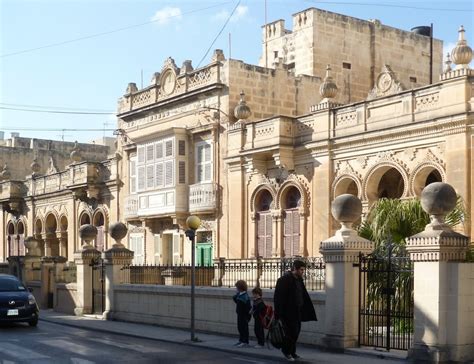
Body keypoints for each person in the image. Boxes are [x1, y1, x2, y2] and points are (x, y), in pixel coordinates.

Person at [274, 259, 317, 361]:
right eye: (301, 270)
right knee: (290, 333)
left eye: (303, 270)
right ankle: (287, 352)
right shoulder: (284, 280)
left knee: (296, 332)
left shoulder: (299, 280)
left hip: (298, 311)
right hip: (287, 313)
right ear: (295, 269)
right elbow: (278, 298)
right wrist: (279, 314)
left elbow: (302, 295)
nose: (303, 272)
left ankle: (292, 352)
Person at [233, 280, 251, 348]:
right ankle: (241, 340)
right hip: (239, 314)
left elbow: (248, 307)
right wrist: (237, 294)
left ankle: (245, 341)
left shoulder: (245, 296)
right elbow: (235, 299)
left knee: (244, 328)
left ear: (240, 288)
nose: (236, 289)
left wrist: (248, 316)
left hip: (244, 315)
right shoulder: (240, 295)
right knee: (240, 327)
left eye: (237, 287)